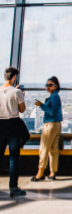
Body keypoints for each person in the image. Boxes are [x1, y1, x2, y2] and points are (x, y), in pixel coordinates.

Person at [0, 67, 27, 197]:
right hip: (13, 126)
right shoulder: (17, 92)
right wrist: (22, 95)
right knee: (14, 159)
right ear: (14, 77)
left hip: (0, 125)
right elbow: (22, 110)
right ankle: (13, 188)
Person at [31, 76, 62, 181]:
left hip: (50, 125)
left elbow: (52, 112)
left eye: (50, 85)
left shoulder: (54, 97)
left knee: (44, 149)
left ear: (55, 86)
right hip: (57, 125)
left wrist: (41, 105)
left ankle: (40, 173)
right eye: (47, 85)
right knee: (53, 150)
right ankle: (52, 172)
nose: (47, 87)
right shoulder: (56, 96)